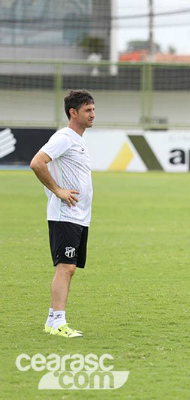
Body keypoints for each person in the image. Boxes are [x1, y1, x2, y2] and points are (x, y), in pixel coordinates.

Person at [30, 89, 95, 338]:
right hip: (64, 215)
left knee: (69, 268)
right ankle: (57, 322)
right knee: (65, 267)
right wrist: (57, 190)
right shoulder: (64, 138)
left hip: (78, 216)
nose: (92, 115)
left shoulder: (78, 140)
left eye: (93, 110)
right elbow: (37, 162)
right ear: (73, 112)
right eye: (87, 110)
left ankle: (52, 320)